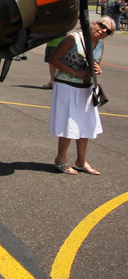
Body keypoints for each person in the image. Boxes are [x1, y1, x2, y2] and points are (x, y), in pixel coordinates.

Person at [48, 16, 112, 175]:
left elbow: (97, 65)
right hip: (67, 85)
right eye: (102, 25)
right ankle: (60, 159)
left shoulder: (100, 45)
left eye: (108, 31)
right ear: (94, 24)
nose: (103, 30)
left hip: (86, 88)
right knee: (69, 123)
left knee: (85, 124)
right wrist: (76, 72)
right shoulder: (73, 39)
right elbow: (53, 59)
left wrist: (98, 70)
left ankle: (81, 160)